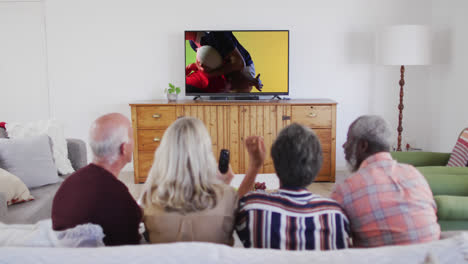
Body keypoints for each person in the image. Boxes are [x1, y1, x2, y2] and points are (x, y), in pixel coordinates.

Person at [140, 117, 264, 245]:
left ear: (165, 152)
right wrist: (254, 166)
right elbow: (238, 208)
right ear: (205, 152)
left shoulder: (149, 198)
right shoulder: (227, 197)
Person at [236, 123, 351, 250]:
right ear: (317, 165)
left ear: (275, 161)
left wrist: (255, 165)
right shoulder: (335, 216)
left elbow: (232, 212)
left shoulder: (252, 208)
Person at [331, 115, 440, 247]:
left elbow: (335, 238)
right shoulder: (414, 174)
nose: (344, 146)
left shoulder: (345, 190)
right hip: (432, 257)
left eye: (348, 140)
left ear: (363, 146)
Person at [52, 113, 142, 246]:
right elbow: (131, 251)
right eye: (132, 137)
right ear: (124, 148)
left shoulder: (69, 184)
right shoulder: (118, 197)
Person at [185, 31, 263, 92]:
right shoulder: (193, 43)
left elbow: (239, 63)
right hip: (227, 66)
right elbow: (212, 59)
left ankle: (250, 81)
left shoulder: (215, 34)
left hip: (244, 68)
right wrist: (197, 66)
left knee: (235, 93)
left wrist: (210, 74)